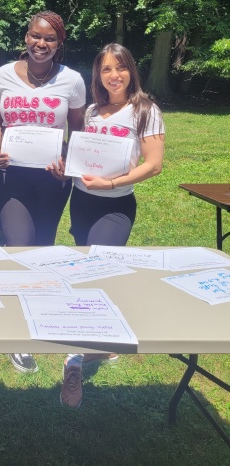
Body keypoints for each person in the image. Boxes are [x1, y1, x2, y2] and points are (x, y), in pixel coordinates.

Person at [53, 43, 165, 408]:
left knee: (94, 272)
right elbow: (83, 155)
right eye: (106, 69)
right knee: (88, 271)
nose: (114, 75)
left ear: (131, 70)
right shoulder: (91, 112)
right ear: (97, 75)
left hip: (116, 205)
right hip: (82, 201)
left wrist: (113, 183)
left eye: (120, 68)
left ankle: (75, 359)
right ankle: (101, 346)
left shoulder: (145, 110)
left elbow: (153, 164)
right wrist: (64, 167)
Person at [0, 11, 86, 374]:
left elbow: (77, 131)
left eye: (49, 40)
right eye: (35, 36)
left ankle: (41, 318)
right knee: (18, 247)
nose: (40, 44)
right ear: (26, 37)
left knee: (42, 248)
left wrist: (68, 165)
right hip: (12, 176)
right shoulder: (2, 75)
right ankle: (18, 336)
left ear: (59, 45)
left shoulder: (72, 81)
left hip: (51, 180)